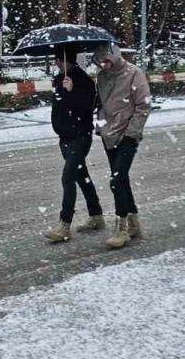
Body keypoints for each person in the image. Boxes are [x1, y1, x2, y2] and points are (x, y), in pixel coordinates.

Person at [92, 42, 151, 249]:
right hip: (108, 135)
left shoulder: (134, 73)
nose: (104, 64)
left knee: (116, 180)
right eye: (99, 61)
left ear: (115, 55)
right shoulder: (102, 76)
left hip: (127, 135)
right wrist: (100, 126)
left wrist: (131, 134)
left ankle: (122, 228)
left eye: (106, 60)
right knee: (122, 180)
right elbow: (100, 104)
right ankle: (134, 224)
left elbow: (143, 106)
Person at [44, 46, 105, 243]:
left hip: (80, 136)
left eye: (59, 60)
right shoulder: (58, 79)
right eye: (56, 61)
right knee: (81, 176)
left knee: (68, 177)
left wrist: (72, 91)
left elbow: (88, 106)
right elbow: (58, 106)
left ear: (67, 61)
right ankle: (96, 215)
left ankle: (65, 224)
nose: (57, 63)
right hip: (65, 137)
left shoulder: (83, 80)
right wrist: (58, 127)